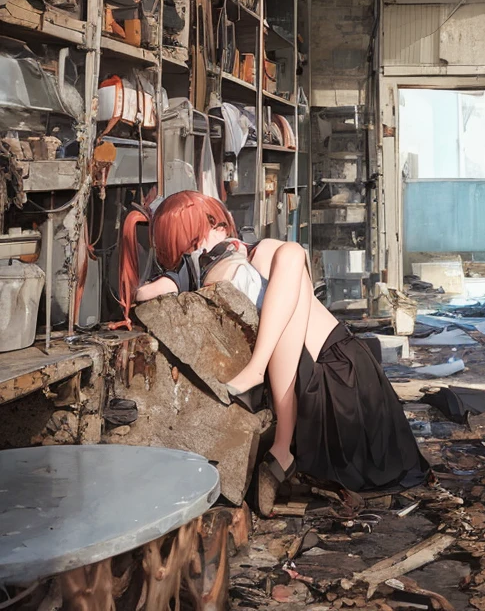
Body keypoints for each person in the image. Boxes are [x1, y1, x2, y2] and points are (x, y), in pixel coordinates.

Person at [133, 190, 430, 514]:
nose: (216, 234)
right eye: (197, 233)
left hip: (343, 378)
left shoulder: (257, 253)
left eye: (214, 224)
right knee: (288, 256)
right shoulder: (200, 268)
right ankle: (279, 442)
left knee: (288, 253)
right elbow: (146, 292)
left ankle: (276, 427)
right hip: (316, 382)